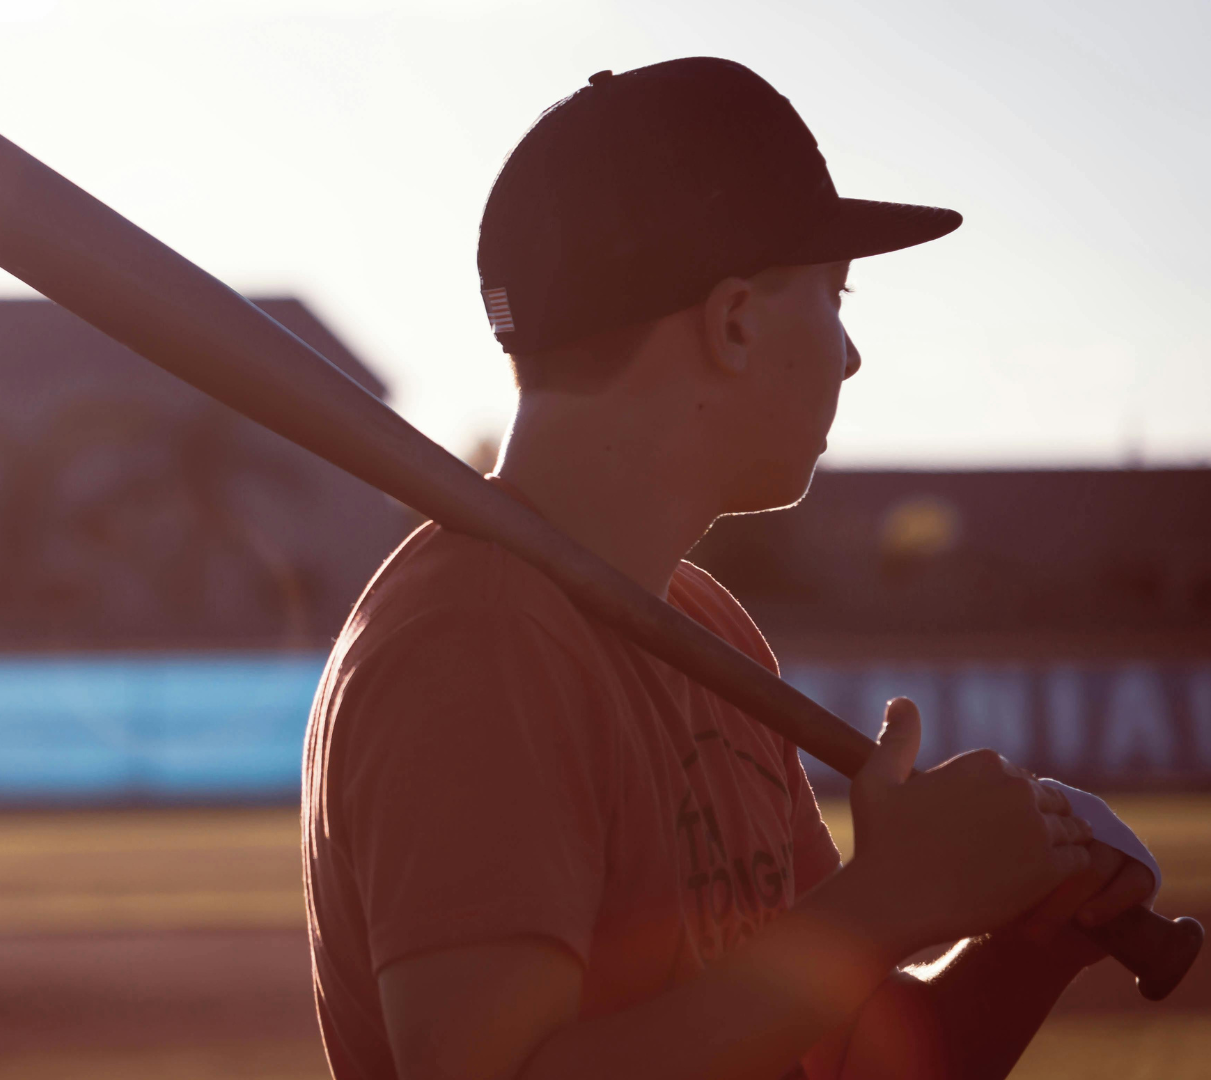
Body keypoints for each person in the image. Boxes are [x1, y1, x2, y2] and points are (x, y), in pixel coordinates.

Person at [301, 57, 1156, 1080]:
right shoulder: (477, 639)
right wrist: (885, 904)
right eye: (837, 296)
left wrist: (1031, 933)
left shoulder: (704, 626)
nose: (849, 356)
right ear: (736, 322)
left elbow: (842, 1056)